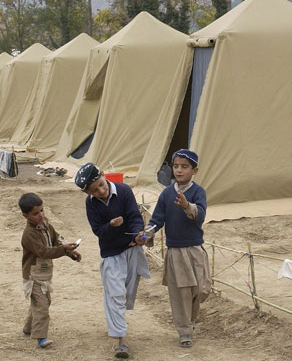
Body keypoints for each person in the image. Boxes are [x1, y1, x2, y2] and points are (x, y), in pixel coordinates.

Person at [136, 149, 210, 348]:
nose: (179, 170)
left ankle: (191, 322)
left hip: (195, 249)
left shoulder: (198, 192)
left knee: (200, 290)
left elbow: (200, 215)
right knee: (180, 293)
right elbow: (157, 219)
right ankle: (184, 331)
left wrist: (187, 206)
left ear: (194, 170)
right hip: (176, 251)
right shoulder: (167, 194)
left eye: (184, 167)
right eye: (176, 166)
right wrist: (146, 234)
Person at [75, 162, 149, 359]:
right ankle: (121, 340)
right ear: (87, 193)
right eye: (94, 190)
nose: (101, 190)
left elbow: (134, 216)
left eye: (101, 184)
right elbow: (99, 231)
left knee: (125, 294)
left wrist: (138, 234)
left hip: (131, 249)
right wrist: (111, 225)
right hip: (111, 254)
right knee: (115, 294)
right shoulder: (91, 204)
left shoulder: (124, 191)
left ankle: (116, 323)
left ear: (103, 175)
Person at [19, 192, 81, 349]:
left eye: (42, 210)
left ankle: (28, 328)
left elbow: (56, 239)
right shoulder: (29, 234)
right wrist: (63, 249)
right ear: (25, 216)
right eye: (35, 213)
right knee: (41, 306)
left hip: (45, 273)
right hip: (33, 275)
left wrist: (70, 252)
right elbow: (44, 252)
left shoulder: (45, 224)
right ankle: (41, 337)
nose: (40, 215)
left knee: (42, 302)